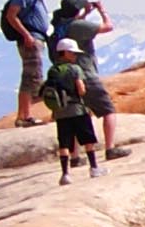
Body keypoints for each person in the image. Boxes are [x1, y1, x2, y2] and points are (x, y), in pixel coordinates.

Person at [41, 41, 104, 184]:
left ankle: (65, 174)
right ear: (66, 52)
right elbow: (81, 89)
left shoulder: (53, 70)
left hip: (61, 112)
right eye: (73, 53)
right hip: (77, 109)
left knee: (64, 143)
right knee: (88, 139)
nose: (75, 55)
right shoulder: (75, 69)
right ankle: (94, 168)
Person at [1, 0, 53, 128]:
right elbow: (12, 15)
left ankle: (26, 115)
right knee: (30, 77)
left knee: (33, 77)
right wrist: (26, 35)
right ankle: (24, 116)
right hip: (30, 38)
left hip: (36, 37)